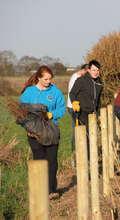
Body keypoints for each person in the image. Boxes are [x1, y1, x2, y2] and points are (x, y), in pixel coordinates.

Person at [20, 65, 65, 200]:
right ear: (38, 77)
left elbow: (62, 109)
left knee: (52, 161)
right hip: (34, 134)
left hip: (51, 131)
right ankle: (40, 192)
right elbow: (21, 113)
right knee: (39, 161)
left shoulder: (55, 91)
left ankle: (51, 191)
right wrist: (27, 129)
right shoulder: (29, 92)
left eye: (50, 79)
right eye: (46, 79)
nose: (49, 82)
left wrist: (51, 115)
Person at [69, 60, 103, 159]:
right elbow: (72, 93)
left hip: (92, 113)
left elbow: (98, 100)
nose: (96, 72)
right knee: (86, 136)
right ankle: (86, 160)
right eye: (94, 70)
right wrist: (74, 102)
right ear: (88, 70)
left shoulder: (99, 83)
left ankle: (91, 157)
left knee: (92, 136)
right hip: (81, 112)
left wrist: (100, 114)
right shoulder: (81, 80)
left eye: (97, 70)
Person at [67, 64, 88, 168]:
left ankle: (80, 157)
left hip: (76, 107)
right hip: (73, 108)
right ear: (82, 70)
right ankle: (75, 160)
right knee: (77, 131)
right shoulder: (76, 79)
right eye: (86, 72)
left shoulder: (78, 77)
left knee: (79, 131)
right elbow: (73, 94)